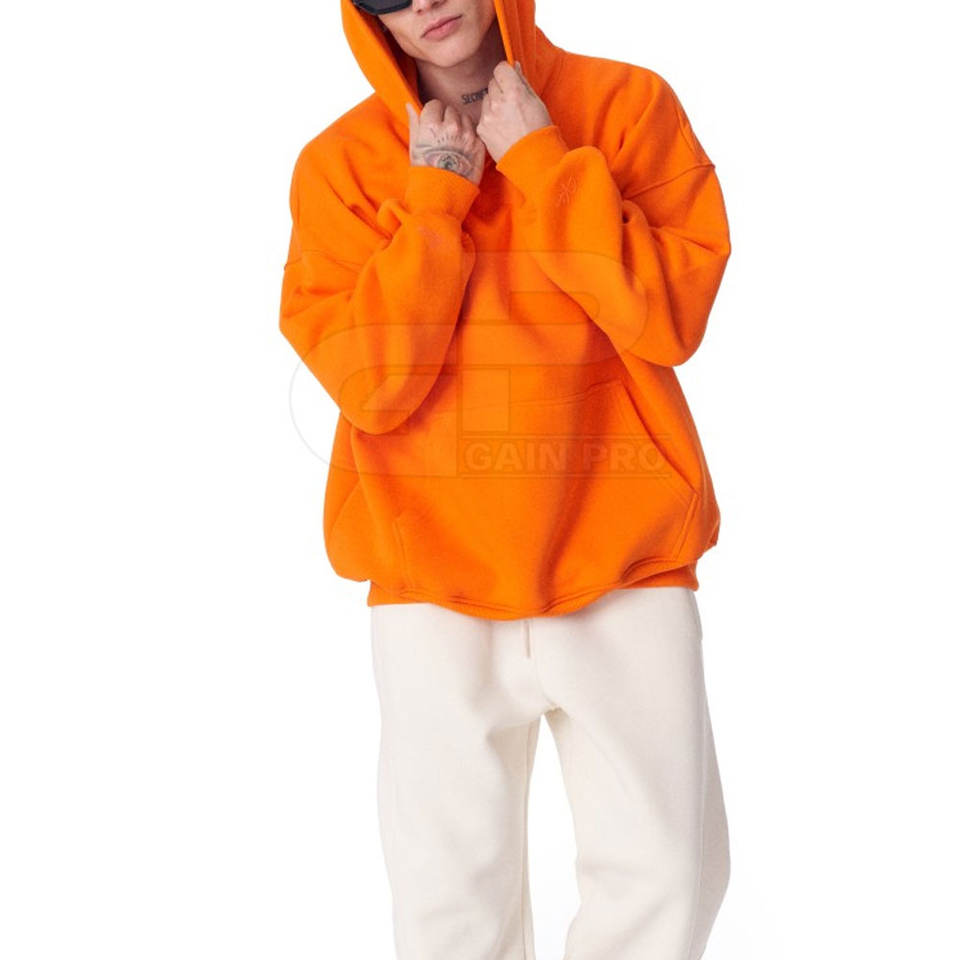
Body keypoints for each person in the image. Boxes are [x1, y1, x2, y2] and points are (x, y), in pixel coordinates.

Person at [278, 1, 733, 958]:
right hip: (431, 574)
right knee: (448, 904)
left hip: (623, 557)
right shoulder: (341, 166)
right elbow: (372, 384)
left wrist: (541, 161)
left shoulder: (626, 106)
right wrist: (435, 202)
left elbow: (667, 317)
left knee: (667, 879)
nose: (423, 3)